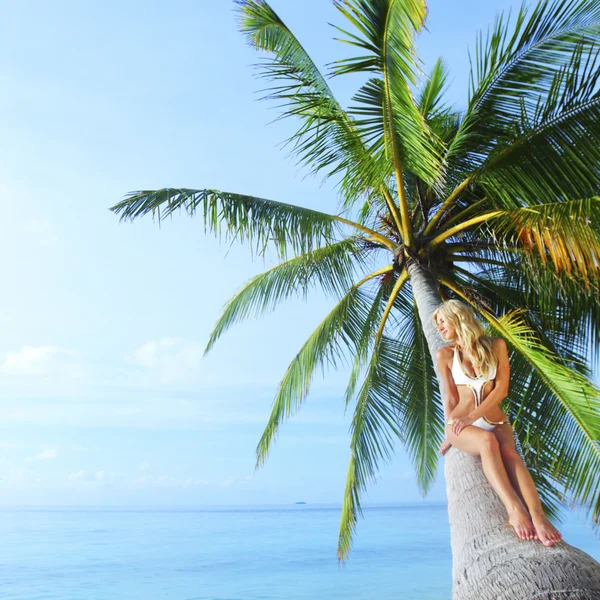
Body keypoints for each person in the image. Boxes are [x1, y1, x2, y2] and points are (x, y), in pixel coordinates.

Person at [433, 299, 562, 547]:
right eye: (437, 324)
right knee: (487, 441)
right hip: (462, 424)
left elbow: (501, 389)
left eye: (442, 321)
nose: (440, 327)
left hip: (494, 418)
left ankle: (538, 516)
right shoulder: (445, 355)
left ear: (458, 317)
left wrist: (474, 416)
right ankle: (514, 510)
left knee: (509, 452)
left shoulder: (496, 345)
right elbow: (450, 396)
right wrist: (451, 431)